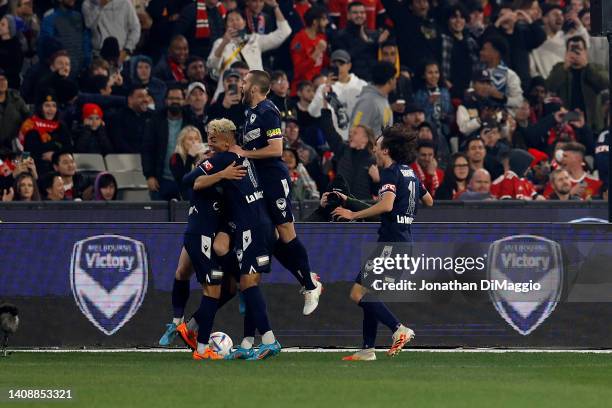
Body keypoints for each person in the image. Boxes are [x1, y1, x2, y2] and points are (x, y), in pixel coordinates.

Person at [180, 118, 281, 360]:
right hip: (259, 224)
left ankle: (270, 340)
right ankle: (247, 342)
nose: (210, 139)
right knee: (247, 285)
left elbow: (189, 181)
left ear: (228, 138)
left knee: (247, 285)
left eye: (214, 135)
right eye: (208, 134)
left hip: (251, 227)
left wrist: (215, 173)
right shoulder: (246, 157)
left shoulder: (224, 158)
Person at [331, 124, 433, 361]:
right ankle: (367, 350)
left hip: (391, 244)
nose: (374, 150)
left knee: (358, 294)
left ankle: (399, 329)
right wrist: (353, 201)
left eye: (376, 146)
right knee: (370, 294)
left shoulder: (390, 172)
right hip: (404, 243)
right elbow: (429, 200)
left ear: (386, 150)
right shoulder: (411, 173)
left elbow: (386, 205)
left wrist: (352, 214)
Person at [231, 70, 323, 315]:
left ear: (253, 87)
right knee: (271, 236)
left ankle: (310, 284)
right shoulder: (249, 113)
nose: (239, 85)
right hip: (258, 180)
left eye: (243, 81)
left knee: (285, 230)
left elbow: (275, 149)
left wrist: (243, 153)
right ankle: (307, 277)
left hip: (274, 178)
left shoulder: (268, 111)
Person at [207, 4, 291, 96]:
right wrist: (224, 43)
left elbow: (284, 32)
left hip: (255, 93)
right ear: (226, 25)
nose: (235, 22)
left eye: (238, 19)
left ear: (244, 22)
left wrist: (275, 7)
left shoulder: (254, 39)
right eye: (231, 20)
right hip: (229, 92)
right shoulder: (220, 43)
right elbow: (212, 65)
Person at [142, 84, 195, 201]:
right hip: (161, 181)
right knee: (158, 218)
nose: (174, 102)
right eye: (171, 99)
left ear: (184, 100)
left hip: (185, 180)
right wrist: (149, 175)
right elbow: (147, 150)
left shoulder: (191, 120)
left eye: (178, 99)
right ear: (166, 101)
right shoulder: (155, 121)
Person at [546, 36, 609, 131]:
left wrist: (586, 66)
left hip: (592, 122)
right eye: (572, 50)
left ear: (585, 52)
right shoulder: (559, 68)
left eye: (579, 49)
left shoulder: (595, 68)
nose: (576, 53)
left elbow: (605, 83)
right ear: (566, 52)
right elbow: (550, 86)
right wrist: (564, 68)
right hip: (567, 122)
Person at [308, 49, 367, 140]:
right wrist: (324, 92)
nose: (338, 68)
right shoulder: (324, 88)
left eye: (341, 64)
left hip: (360, 140)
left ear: (349, 65)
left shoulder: (361, 85)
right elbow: (313, 112)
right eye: (335, 65)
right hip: (335, 141)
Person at [331, 1, 389, 81]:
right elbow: (345, 58)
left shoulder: (374, 35)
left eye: (362, 13)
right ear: (348, 15)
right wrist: (372, 44)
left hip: (374, 79)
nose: (359, 15)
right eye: (355, 13)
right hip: (352, 81)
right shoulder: (340, 36)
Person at [530, 4, 588, 79]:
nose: (560, 17)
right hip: (546, 84)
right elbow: (532, 69)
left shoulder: (567, 39)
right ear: (545, 19)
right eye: (555, 14)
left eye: (561, 15)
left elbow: (585, 42)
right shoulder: (535, 40)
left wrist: (578, 22)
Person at [20, 91, 72, 175]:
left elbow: (69, 148)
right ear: (40, 108)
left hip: (60, 168)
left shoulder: (61, 127)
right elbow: (26, 154)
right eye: (47, 105)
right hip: (38, 170)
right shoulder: (30, 126)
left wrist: (54, 155)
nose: (51, 109)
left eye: (54, 106)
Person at [38, 0, 91, 77]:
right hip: (60, 73)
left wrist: (86, 61)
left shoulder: (79, 17)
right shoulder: (50, 19)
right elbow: (44, 45)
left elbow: (86, 40)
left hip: (80, 71)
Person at [440, 5, 480, 99]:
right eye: (454, 17)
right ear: (447, 20)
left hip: (469, 90)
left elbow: (476, 66)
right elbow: (441, 67)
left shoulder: (471, 42)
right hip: (449, 91)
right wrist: (448, 86)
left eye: (461, 17)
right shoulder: (443, 40)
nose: (458, 20)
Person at [289, 6, 329, 95]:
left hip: (318, 86)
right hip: (301, 90)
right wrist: (317, 52)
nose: (327, 22)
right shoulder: (299, 40)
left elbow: (323, 63)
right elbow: (298, 70)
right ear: (315, 22)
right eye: (324, 19)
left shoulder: (321, 37)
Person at [479, 36, 523, 110]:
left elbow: (519, 101)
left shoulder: (510, 75)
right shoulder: (479, 72)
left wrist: (500, 96)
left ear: (496, 53)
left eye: (484, 50)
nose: (481, 52)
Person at [350, 61, 395, 134]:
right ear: (390, 80)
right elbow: (355, 128)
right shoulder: (368, 101)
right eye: (395, 77)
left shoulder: (382, 98)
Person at [413, 60, 453, 140]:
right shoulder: (419, 94)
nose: (434, 76)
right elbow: (417, 118)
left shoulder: (444, 92)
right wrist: (429, 103)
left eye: (436, 72)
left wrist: (445, 116)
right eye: (430, 73)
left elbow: (449, 112)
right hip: (424, 133)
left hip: (443, 132)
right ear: (424, 75)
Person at [107, 84, 152, 153]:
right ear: (130, 99)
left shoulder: (153, 116)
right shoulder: (118, 117)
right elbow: (118, 142)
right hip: (126, 159)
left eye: (147, 96)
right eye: (140, 97)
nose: (145, 99)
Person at [170, 125, 207, 200]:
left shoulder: (203, 157)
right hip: (185, 197)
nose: (194, 142)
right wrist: (190, 157)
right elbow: (183, 181)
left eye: (196, 139)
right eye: (190, 139)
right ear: (182, 142)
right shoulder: (176, 157)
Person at [0, 69, 29, 150]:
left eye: (4, 79)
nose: (2, 82)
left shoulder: (16, 98)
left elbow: (28, 118)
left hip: (14, 146)